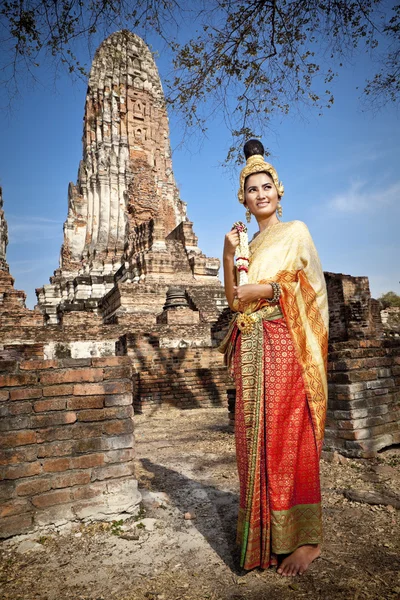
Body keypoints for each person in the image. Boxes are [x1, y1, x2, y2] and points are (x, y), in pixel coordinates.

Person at [219, 139, 328, 577]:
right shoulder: (245, 244)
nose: (260, 194)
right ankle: (265, 537)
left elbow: (313, 290)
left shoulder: (296, 231)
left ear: (279, 192)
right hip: (249, 345)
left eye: (267, 187)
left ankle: (304, 541)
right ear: (243, 200)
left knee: (288, 434)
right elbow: (232, 300)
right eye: (252, 190)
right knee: (253, 439)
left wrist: (265, 290)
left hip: (286, 341)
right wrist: (229, 255)